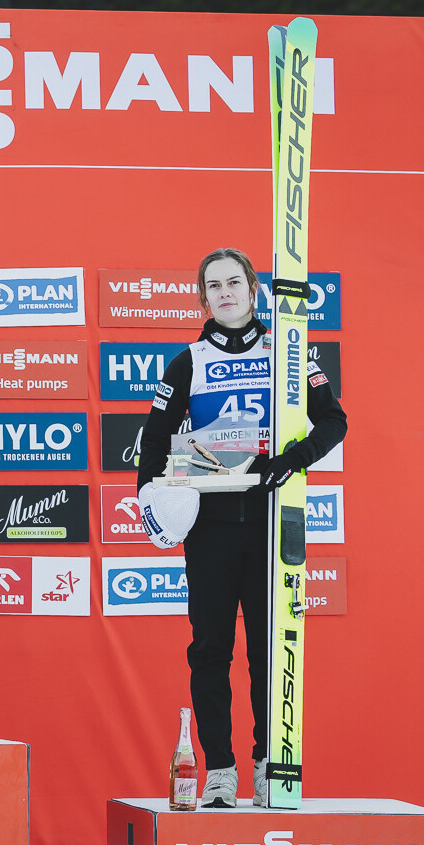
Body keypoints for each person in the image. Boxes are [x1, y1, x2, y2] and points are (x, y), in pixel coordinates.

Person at [137, 247, 347, 807]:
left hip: (269, 524)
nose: (225, 293)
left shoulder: (287, 350)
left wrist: (293, 460)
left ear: (254, 289)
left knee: (268, 651)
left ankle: (267, 766)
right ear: (203, 297)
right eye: (214, 286)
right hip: (210, 526)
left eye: (234, 282)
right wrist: (150, 497)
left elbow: (334, 420)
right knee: (210, 650)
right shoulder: (188, 361)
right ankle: (221, 773)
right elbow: (154, 440)